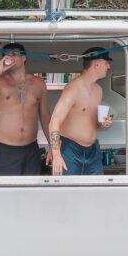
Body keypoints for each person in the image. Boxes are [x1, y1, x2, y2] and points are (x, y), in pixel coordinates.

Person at [0, 43, 51, 176]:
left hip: (31, 148)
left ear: (24, 58)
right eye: (6, 53)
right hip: (6, 150)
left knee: (31, 192)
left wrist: (52, 146)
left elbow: (45, 116)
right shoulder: (0, 81)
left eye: (14, 53)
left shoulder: (38, 83)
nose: (9, 56)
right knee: (3, 193)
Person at [48, 47, 114, 176]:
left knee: (95, 192)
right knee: (68, 192)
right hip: (70, 149)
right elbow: (54, 121)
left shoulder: (98, 90)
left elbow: (95, 123)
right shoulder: (73, 89)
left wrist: (105, 122)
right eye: (107, 63)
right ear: (97, 64)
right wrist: (56, 154)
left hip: (93, 150)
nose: (109, 66)